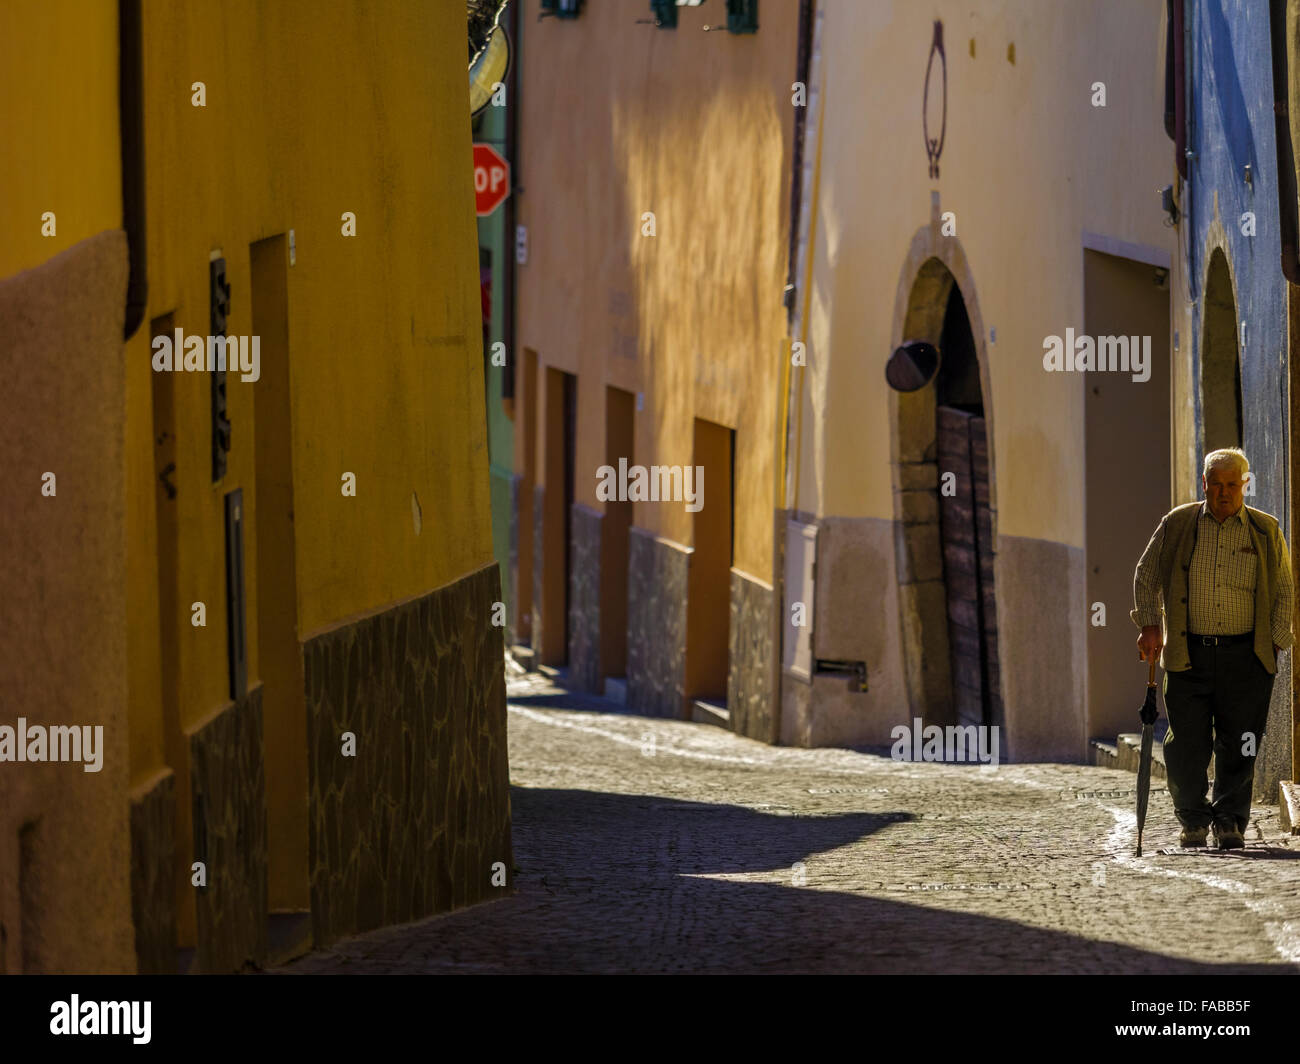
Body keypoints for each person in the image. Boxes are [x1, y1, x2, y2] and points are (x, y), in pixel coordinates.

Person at [1130, 448, 1293, 850]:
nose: (1224, 492)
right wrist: (1150, 625)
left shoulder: (1265, 530)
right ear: (1205, 484)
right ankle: (1193, 819)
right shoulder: (1179, 523)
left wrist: (1273, 642)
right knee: (1186, 742)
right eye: (1216, 484)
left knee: (1241, 741)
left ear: (1245, 486)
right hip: (1189, 654)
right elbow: (1145, 574)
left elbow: (1286, 591)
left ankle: (1229, 822)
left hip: (1247, 656)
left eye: (1232, 485)